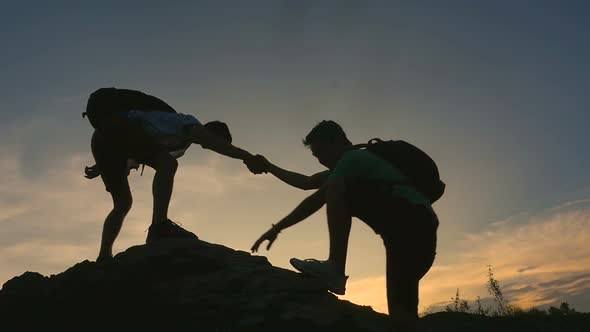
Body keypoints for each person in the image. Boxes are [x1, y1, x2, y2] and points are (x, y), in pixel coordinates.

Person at [248, 120, 439, 330]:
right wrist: (269, 166)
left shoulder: (353, 159)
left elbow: (318, 198)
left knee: (336, 190)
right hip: (416, 232)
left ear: (336, 141)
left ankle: (335, 268)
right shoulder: (356, 162)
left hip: (411, 224)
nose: (320, 160)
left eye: (321, 153)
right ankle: (336, 269)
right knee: (402, 319)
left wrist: (277, 228)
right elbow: (307, 182)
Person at [84, 87, 262, 262]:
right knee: (168, 163)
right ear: (212, 132)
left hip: (102, 138)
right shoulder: (190, 124)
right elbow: (214, 143)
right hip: (119, 126)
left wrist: (102, 165)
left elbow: (134, 148)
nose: (212, 146)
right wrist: (248, 157)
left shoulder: (170, 133)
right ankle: (159, 226)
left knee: (122, 203)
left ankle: (104, 255)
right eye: (218, 141)